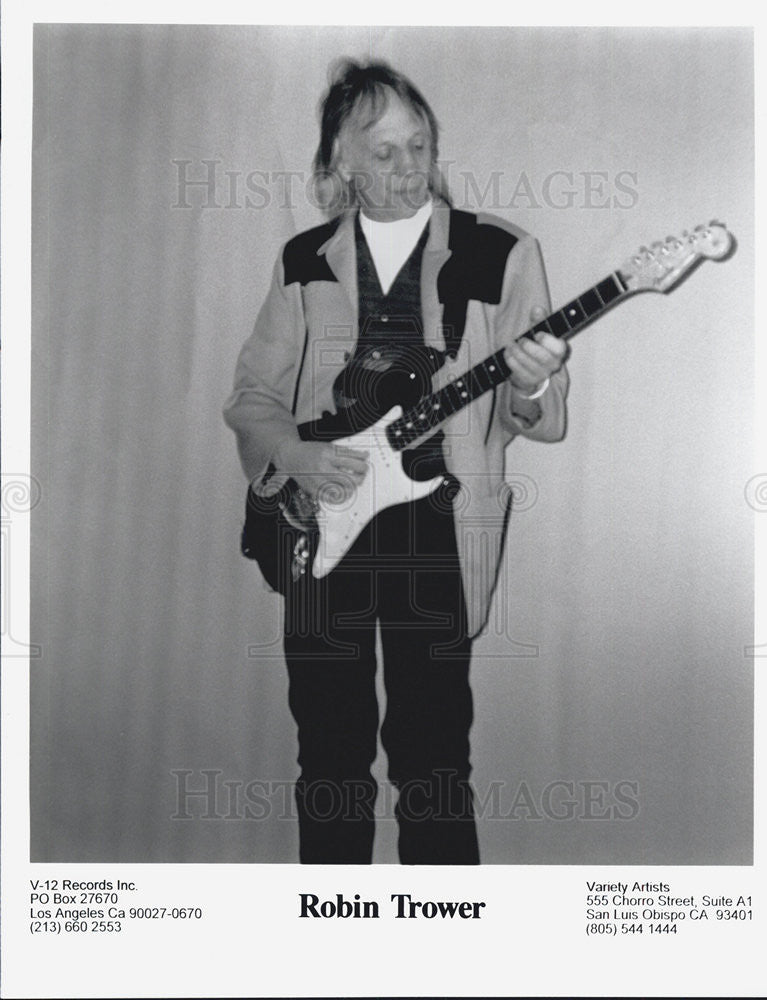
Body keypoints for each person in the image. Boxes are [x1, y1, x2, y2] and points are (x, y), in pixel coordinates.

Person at [223, 59, 568, 864]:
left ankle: (443, 957)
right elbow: (252, 399)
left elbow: (530, 416)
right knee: (329, 757)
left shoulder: (500, 252)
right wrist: (297, 456)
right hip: (321, 517)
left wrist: (535, 377)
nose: (407, 167)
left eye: (419, 146)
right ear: (340, 161)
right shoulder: (303, 259)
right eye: (383, 153)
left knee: (435, 757)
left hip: (437, 527)